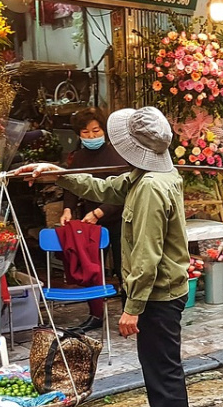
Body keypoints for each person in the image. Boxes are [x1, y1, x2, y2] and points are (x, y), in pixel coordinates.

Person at [16, 107, 197, 407]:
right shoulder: (146, 175)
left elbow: (147, 256)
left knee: (164, 371)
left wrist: (132, 308)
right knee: (155, 369)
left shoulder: (151, 187)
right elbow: (102, 188)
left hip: (159, 295)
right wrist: (58, 173)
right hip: (157, 292)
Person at [61, 108, 128, 332]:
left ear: (104, 131)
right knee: (93, 268)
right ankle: (96, 315)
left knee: (123, 267)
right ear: (79, 135)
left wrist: (100, 212)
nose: (91, 136)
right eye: (85, 132)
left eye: (95, 131)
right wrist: (68, 209)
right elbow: (71, 184)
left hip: (119, 219)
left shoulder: (116, 155)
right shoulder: (78, 157)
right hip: (92, 224)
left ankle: (131, 315)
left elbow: (124, 192)